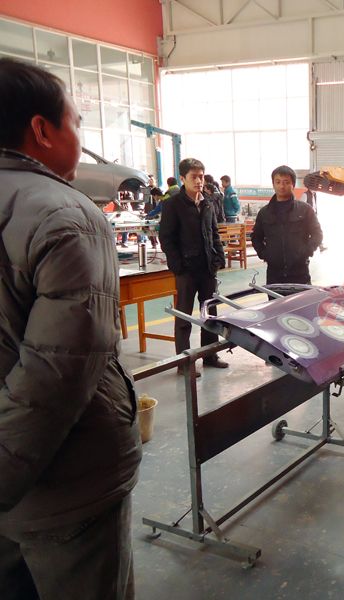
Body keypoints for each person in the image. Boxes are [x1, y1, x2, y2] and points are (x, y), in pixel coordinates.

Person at [0, 57, 141, 600]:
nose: (80, 136)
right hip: (61, 485)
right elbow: (57, 374)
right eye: (77, 122)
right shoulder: (67, 214)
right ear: (42, 130)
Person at [159, 157, 229, 374]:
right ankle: (184, 363)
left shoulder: (208, 203)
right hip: (186, 271)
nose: (199, 181)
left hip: (207, 268)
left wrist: (218, 258)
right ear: (183, 178)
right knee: (184, 316)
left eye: (201, 176)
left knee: (210, 313)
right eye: (194, 177)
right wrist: (178, 266)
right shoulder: (173, 205)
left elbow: (214, 232)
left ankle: (210, 355)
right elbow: (166, 239)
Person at [251, 165, 323, 284]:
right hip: (274, 274)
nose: (282, 186)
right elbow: (256, 237)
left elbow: (317, 234)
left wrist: (306, 252)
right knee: (275, 297)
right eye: (278, 182)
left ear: (293, 184)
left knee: (301, 297)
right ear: (273, 184)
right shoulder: (264, 213)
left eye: (286, 182)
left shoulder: (305, 210)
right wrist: (265, 255)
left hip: (300, 272)